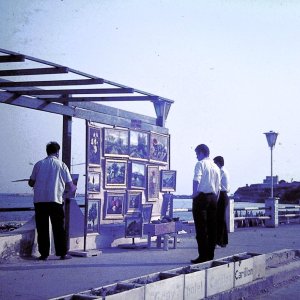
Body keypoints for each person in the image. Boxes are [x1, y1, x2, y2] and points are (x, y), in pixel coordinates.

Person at [28, 141, 76, 261]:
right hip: (55, 201)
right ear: (57, 152)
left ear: (47, 151)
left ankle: (44, 254)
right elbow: (70, 185)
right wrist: (74, 187)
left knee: (42, 228)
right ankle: (62, 253)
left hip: (40, 201)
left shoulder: (38, 164)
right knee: (58, 228)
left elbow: (31, 183)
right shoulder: (62, 165)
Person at [191, 144, 220, 264]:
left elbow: (196, 179)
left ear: (202, 152)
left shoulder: (200, 164)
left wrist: (194, 193)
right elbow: (218, 187)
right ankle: (210, 255)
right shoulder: (216, 167)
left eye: (197, 153)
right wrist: (215, 199)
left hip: (202, 197)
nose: (196, 156)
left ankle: (202, 256)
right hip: (213, 198)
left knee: (201, 227)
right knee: (212, 227)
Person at [214, 156, 230, 247]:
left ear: (218, 163)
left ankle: (219, 241)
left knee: (219, 219)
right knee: (221, 219)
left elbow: (217, 185)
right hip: (225, 196)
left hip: (221, 196)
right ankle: (223, 241)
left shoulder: (220, 171)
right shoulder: (225, 171)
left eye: (215, 163)